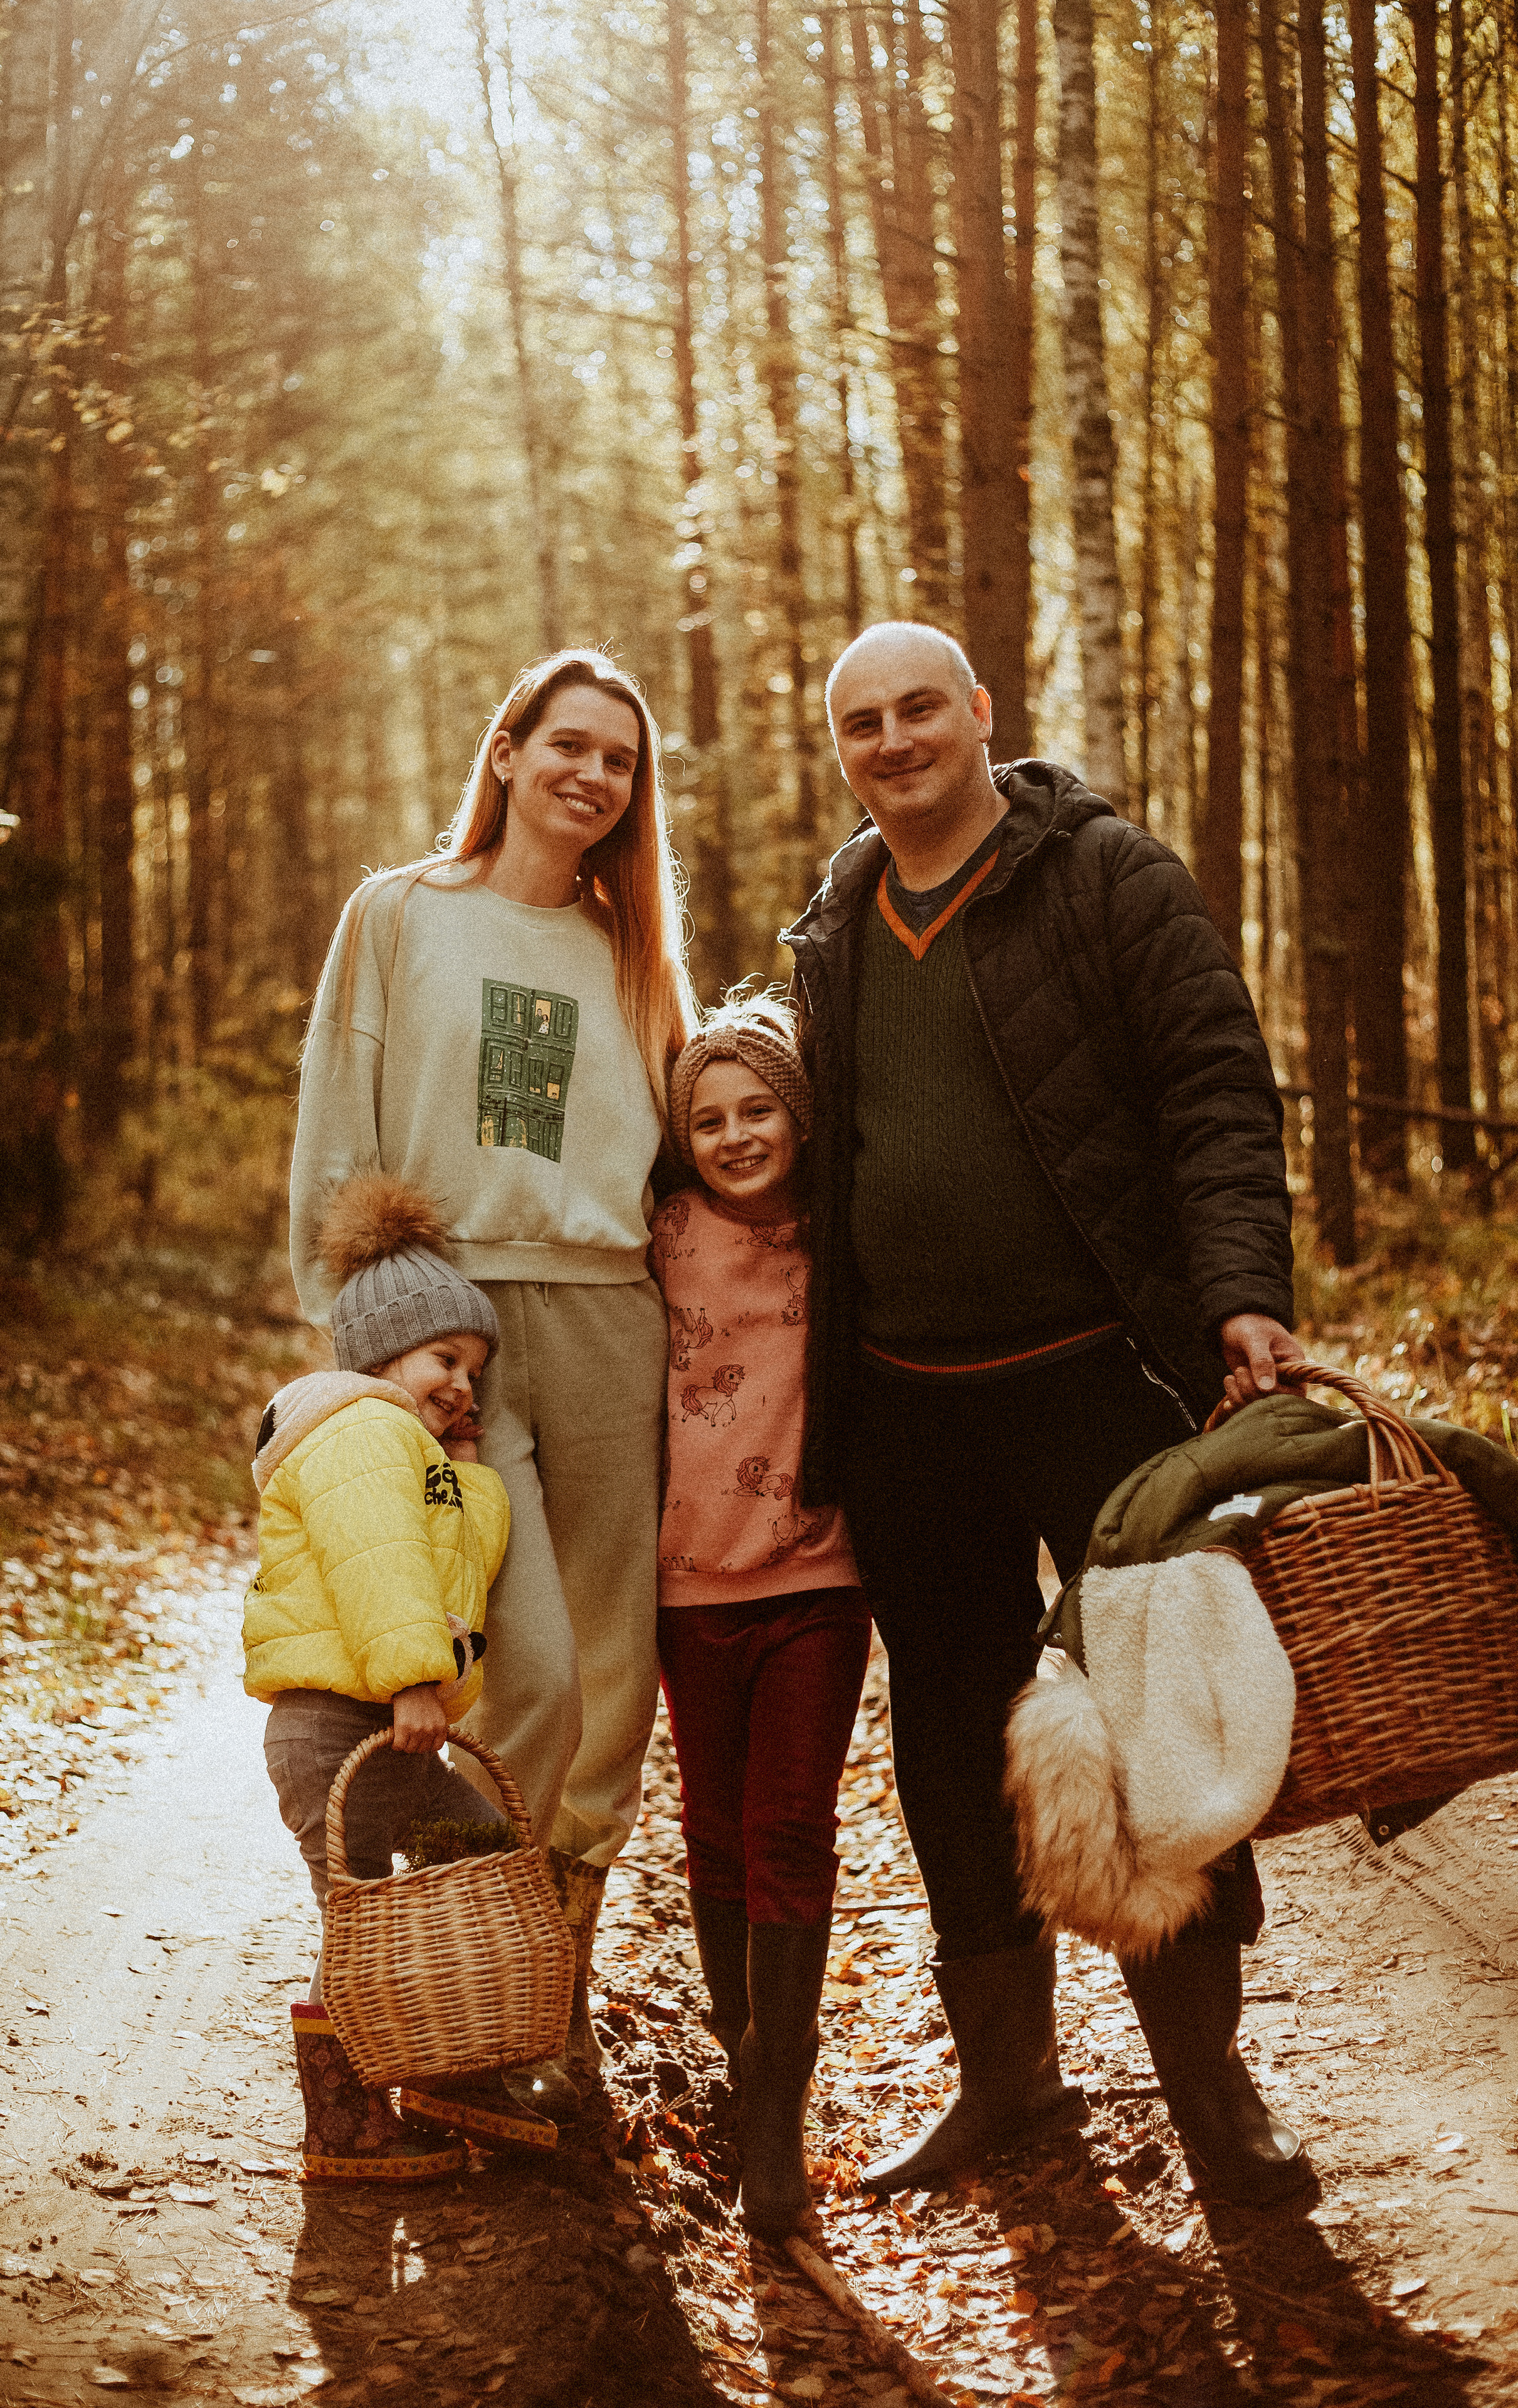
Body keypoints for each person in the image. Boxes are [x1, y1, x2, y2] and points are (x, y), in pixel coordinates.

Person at [783, 620, 1310, 2204]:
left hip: (1101, 1384)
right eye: (862, 723)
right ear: (843, 748)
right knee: (949, 1742)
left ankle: (1210, 2091)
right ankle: (1008, 2087)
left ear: (980, 715)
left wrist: (1238, 1289)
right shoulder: (833, 921)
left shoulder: (1104, 877)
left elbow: (1213, 1083)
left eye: (919, 709)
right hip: (907, 1412)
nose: (894, 741)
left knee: (1160, 1724)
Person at [288, 649, 693, 2117]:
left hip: (605, 1320)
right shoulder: (400, 916)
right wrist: (369, 1346)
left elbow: (686, 1166)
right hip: (443, 1327)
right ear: (509, 751)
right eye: (568, 746)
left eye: (621, 761)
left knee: (608, 1672)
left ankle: (541, 1992)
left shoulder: (632, 949)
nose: (593, 776)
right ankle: (434, 1959)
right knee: (505, 1663)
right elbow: (341, 1130)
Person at [251, 1173, 560, 2178]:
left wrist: (465, 1464)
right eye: (445, 1361)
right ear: (385, 1352)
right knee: (365, 1923)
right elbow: (379, 1561)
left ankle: (446, 2070)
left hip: (376, 1723)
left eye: (476, 1369)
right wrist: (415, 1680)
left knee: (471, 1848)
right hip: (345, 1724)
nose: (465, 1385)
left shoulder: (407, 1448)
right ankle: (341, 2120)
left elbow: (452, 1559)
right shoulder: (360, 1435)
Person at [650, 995, 871, 2242]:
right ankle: (742, 2075)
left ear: (797, 1114)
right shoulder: (661, 1233)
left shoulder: (839, 1236)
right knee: (712, 1835)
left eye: (758, 1110)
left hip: (815, 1582)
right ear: (683, 1137)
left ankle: (777, 2121)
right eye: (710, 1119)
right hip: (688, 1585)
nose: (737, 1135)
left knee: (788, 1826)